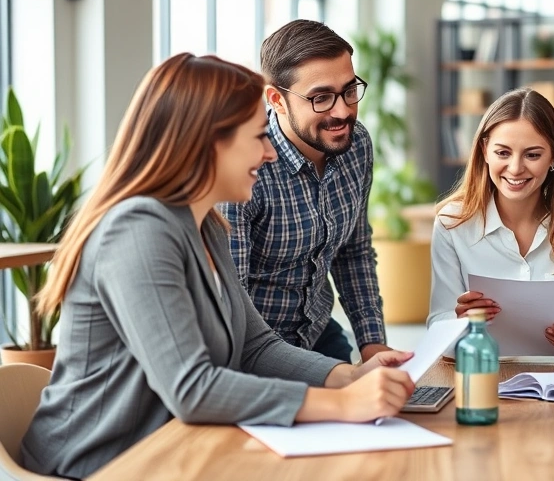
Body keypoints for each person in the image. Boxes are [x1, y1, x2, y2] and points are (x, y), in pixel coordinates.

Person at [21, 54, 415, 479]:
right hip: (95, 466)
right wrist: (341, 404)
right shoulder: (136, 230)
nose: (269, 154)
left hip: (170, 452)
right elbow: (192, 388)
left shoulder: (207, 224)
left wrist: (349, 376)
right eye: (259, 137)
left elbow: (255, 347)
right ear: (208, 143)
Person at [220, 19, 390, 364]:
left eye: (349, 90)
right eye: (321, 98)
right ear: (277, 100)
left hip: (317, 331)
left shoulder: (356, 144)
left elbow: (353, 252)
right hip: (253, 350)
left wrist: (373, 345)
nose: (343, 111)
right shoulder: (244, 167)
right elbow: (232, 301)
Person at [427, 88, 554, 362]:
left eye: (532, 155)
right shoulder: (452, 223)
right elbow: (438, 326)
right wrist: (459, 328)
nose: (515, 168)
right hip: (485, 373)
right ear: (484, 151)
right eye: (502, 152)